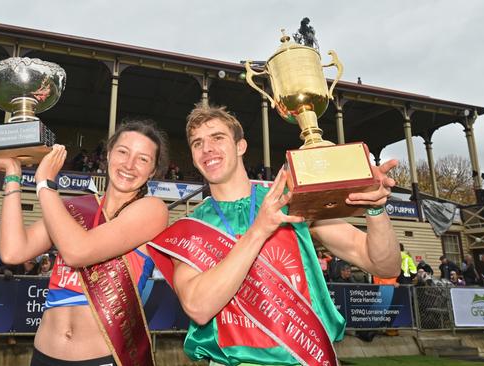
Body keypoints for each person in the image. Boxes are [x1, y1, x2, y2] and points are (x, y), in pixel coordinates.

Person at [148, 104, 400, 366]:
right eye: (197, 143)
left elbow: (383, 264)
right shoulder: (190, 227)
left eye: (217, 138)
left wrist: (376, 210)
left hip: (308, 357)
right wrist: (259, 230)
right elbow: (198, 308)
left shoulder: (289, 202)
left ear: (241, 146)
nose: (207, 148)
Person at [0, 120, 169, 365]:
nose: (129, 164)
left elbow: (78, 251)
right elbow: (13, 251)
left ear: (154, 170)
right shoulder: (76, 207)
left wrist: (45, 185)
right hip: (44, 354)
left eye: (143, 159)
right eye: (123, 152)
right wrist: (13, 175)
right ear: (108, 155)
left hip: (102, 358)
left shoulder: (152, 210)